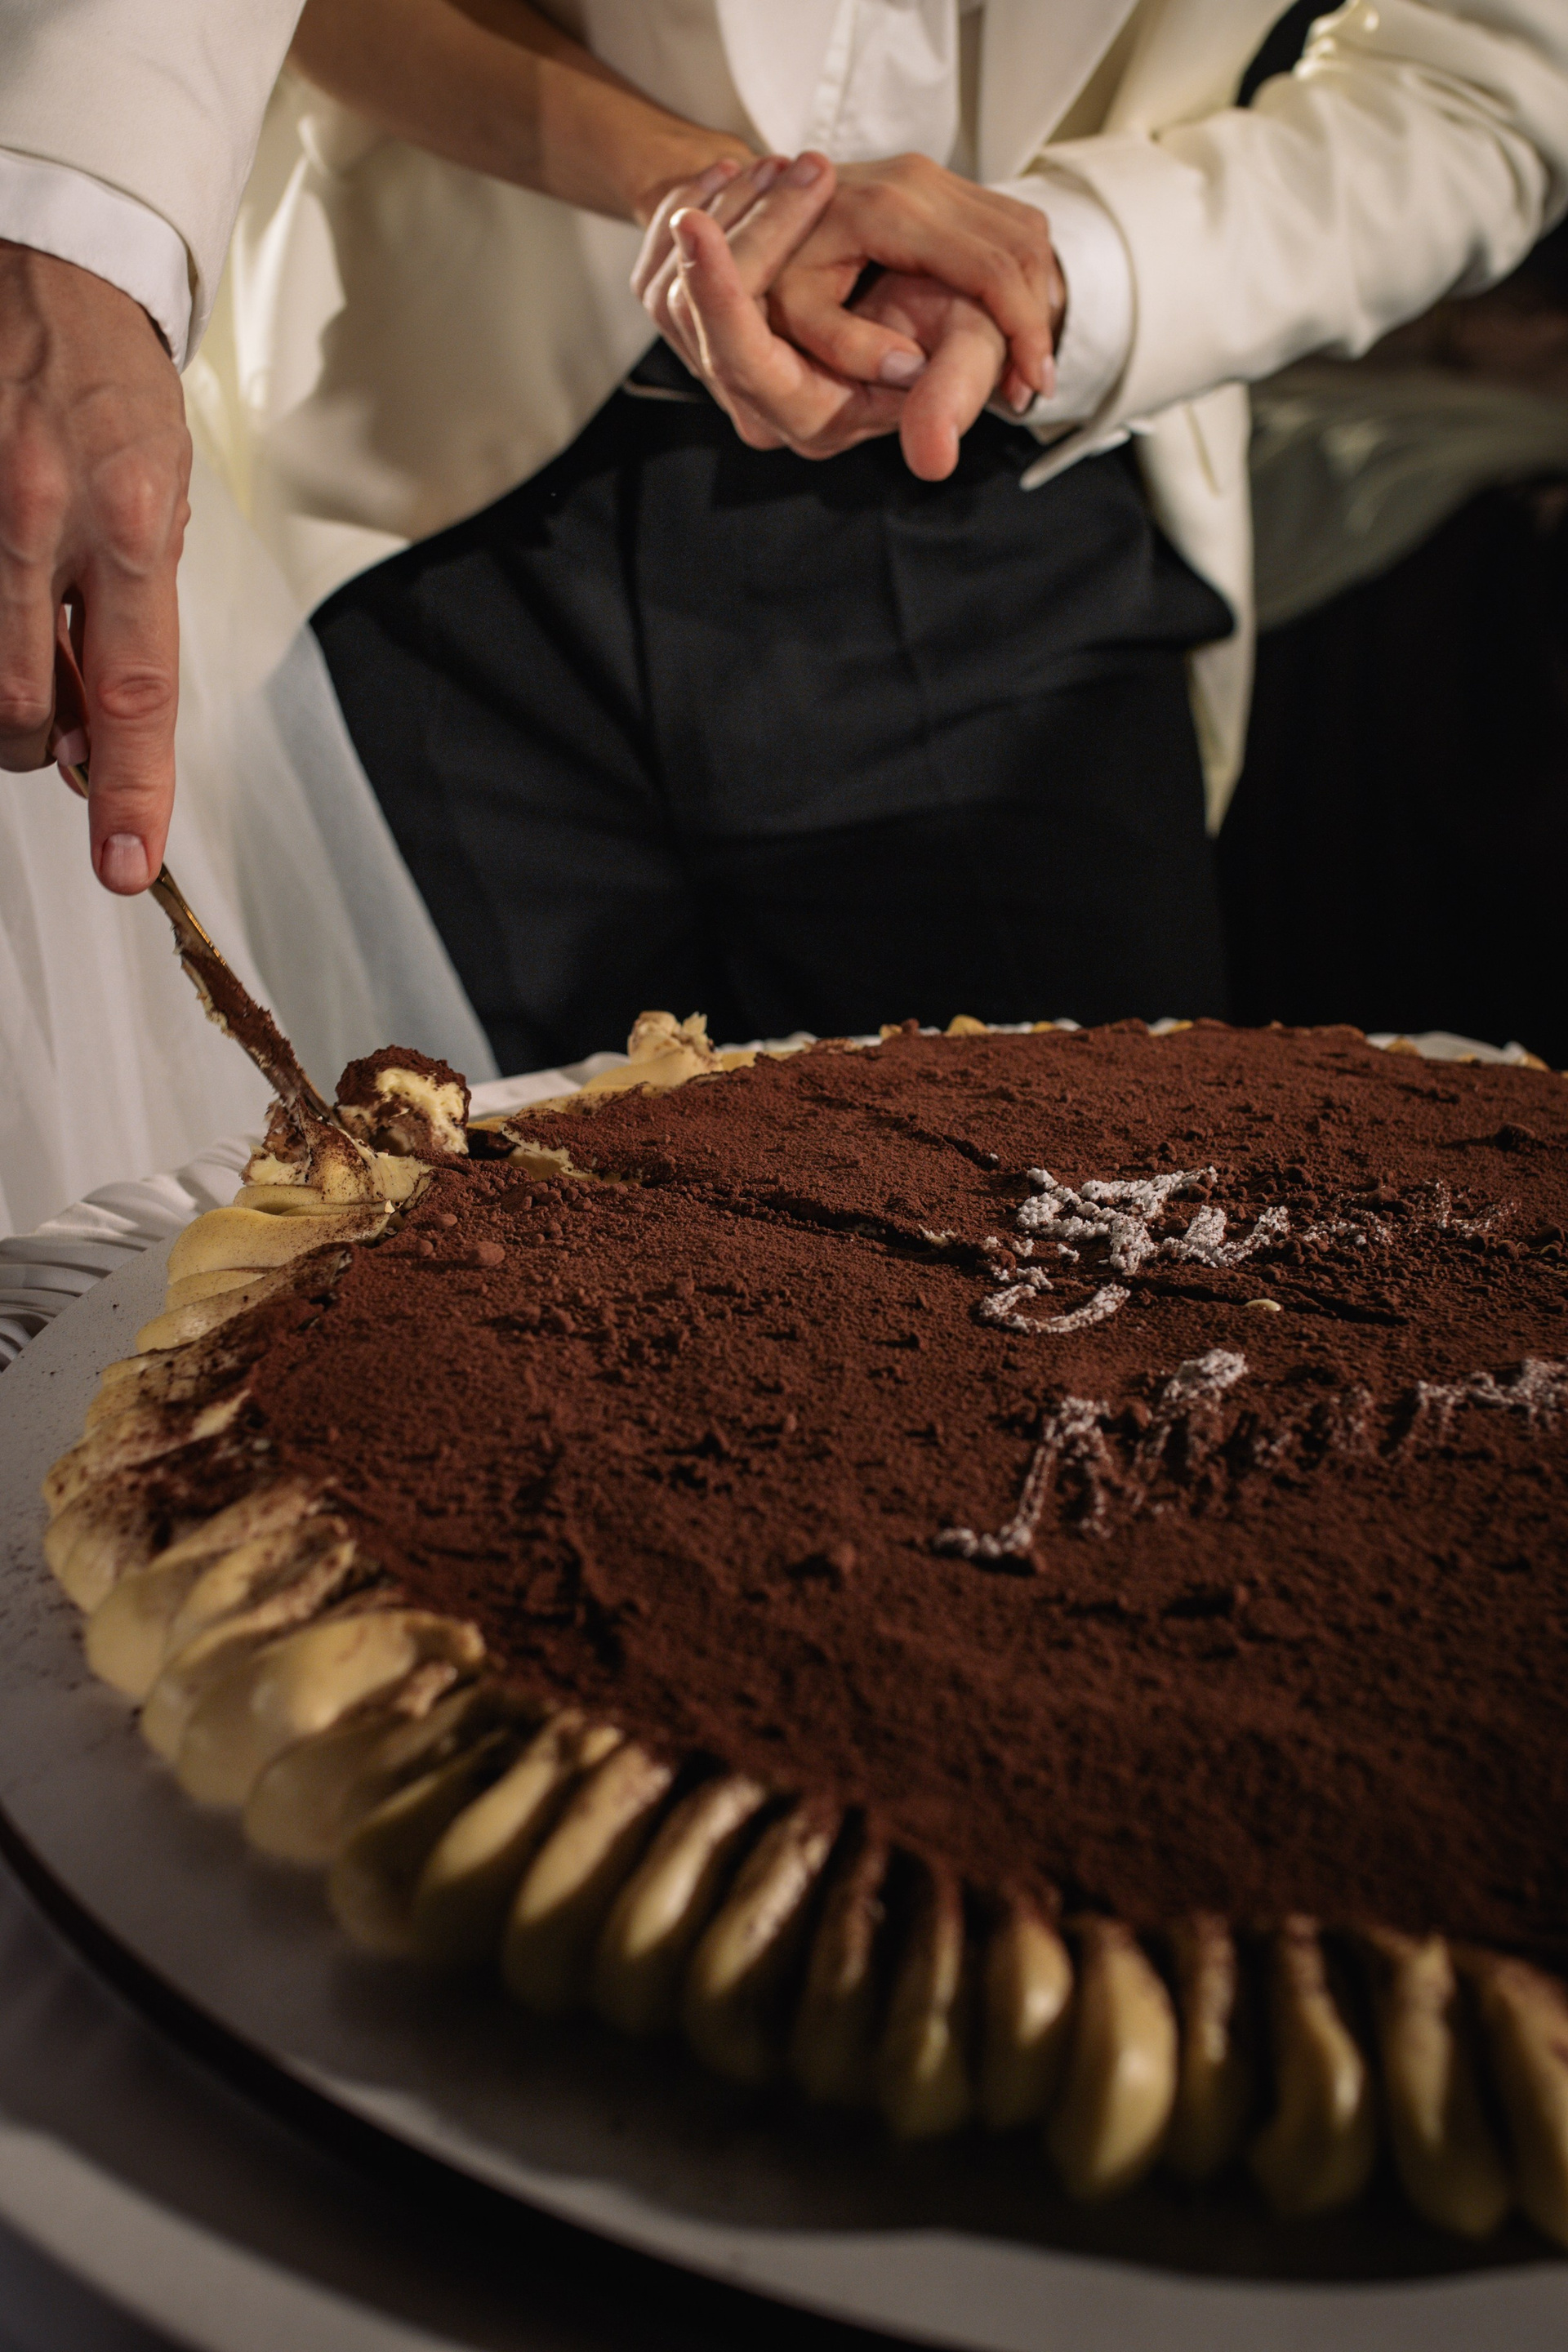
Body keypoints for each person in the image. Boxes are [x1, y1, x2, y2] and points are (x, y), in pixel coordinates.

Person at [1, 4, 1565, 1064]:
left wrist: (1063, 265)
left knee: (1081, 1330)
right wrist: (76, 229)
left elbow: (1490, 73)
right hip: (410, 476)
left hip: (1023, 487)